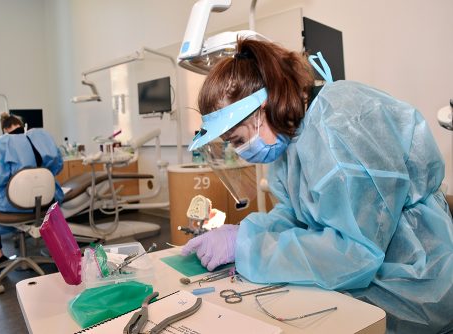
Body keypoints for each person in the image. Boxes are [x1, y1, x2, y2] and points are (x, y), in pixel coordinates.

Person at [181, 38, 453, 334]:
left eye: (238, 140)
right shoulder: (292, 142)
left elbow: (355, 253)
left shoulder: (339, 125)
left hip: (413, 281)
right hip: (370, 275)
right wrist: (246, 233)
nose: (240, 151)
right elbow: (295, 215)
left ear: (264, 106)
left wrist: (249, 248)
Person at [0, 113, 64, 271]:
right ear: (21, 125)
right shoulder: (41, 137)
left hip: (14, 206)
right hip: (46, 201)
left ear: (5, 129)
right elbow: (57, 167)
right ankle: (60, 251)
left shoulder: (1, 143)